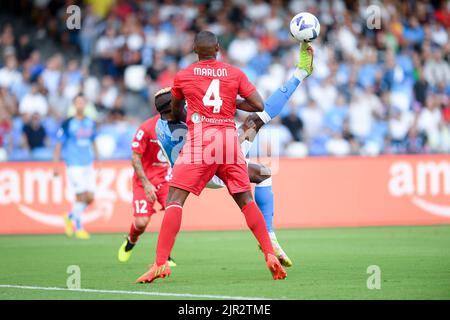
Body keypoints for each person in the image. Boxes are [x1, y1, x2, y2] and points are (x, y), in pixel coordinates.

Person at [136, 31, 289, 283]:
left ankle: (160, 263)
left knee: (175, 199)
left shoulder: (183, 75)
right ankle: (269, 254)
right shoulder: (234, 73)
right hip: (228, 142)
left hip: (201, 142)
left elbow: (175, 111)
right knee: (246, 201)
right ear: (218, 47)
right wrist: (232, 102)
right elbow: (258, 105)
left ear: (195, 48)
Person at [152, 42, 314, 268]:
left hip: (206, 157)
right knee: (256, 120)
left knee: (263, 169)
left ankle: (300, 73)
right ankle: (300, 74)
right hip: (207, 166)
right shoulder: (177, 120)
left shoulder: (163, 122)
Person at [117, 88, 176, 267]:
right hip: (145, 182)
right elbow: (135, 157)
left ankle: (165, 255)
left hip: (166, 180)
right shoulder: (146, 128)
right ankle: (131, 240)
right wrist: (146, 183)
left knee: (173, 214)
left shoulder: (179, 125)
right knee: (141, 222)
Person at [53, 94, 98, 239]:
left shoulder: (90, 122)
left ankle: (69, 216)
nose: (80, 105)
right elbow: (59, 145)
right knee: (80, 196)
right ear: (74, 105)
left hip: (87, 163)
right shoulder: (67, 123)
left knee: (90, 198)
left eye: (82, 102)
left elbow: (93, 141)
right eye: (77, 103)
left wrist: (99, 159)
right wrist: (55, 165)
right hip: (74, 164)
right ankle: (78, 227)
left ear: (85, 105)